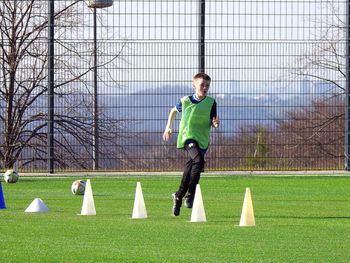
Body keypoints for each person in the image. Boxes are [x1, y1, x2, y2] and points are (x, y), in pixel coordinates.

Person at [163, 72, 220, 216]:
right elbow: (173, 111)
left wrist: (215, 124)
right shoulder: (186, 101)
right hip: (188, 137)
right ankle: (191, 195)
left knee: (192, 168)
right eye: (202, 85)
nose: (205, 88)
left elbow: (213, 120)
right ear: (194, 85)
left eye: (207, 86)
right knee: (199, 160)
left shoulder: (211, 102)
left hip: (202, 140)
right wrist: (168, 127)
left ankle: (178, 196)